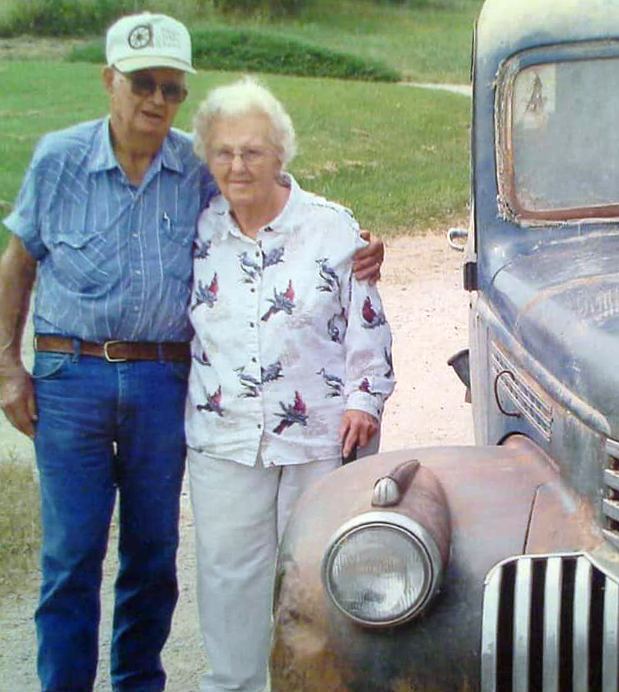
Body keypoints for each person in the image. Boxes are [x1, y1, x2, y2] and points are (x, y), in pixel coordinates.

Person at [0, 13, 384, 692]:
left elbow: (335, 280)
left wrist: (359, 261)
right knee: (74, 557)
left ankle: (145, 683)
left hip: (193, 393)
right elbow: (18, 262)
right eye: (141, 83)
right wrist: (7, 366)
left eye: (170, 88)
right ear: (108, 80)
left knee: (164, 555)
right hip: (92, 384)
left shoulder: (243, 188)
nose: (155, 99)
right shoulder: (73, 164)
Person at [184, 76, 395, 692]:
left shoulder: (331, 228)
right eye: (223, 152)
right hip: (225, 436)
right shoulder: (198, 233)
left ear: (281, 154)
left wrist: (365, 399)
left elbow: (367, 318)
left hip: (321, 434)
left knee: (316, 574)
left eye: (252, 150)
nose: (237, 165)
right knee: (229, 578)